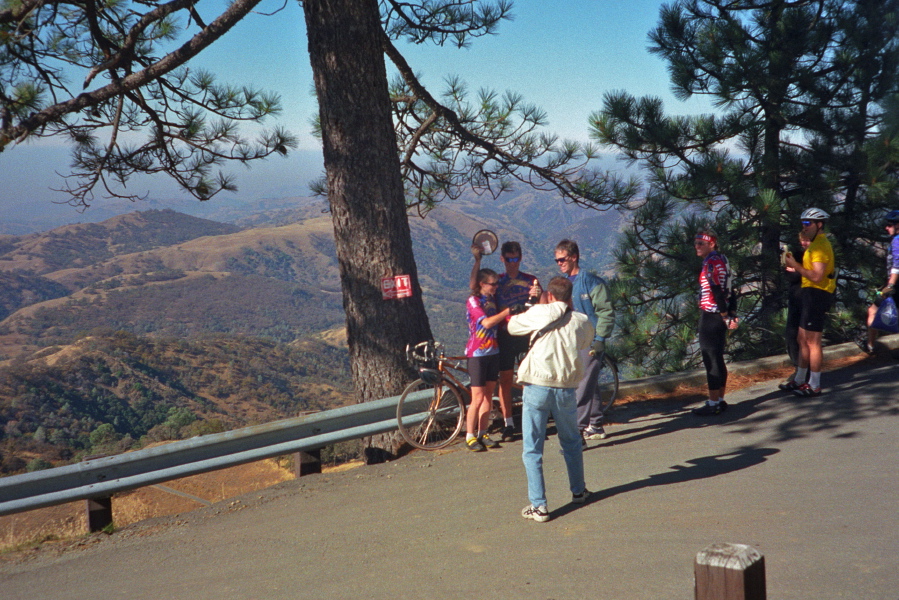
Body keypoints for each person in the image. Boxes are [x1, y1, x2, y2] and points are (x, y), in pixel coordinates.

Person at [508, 276, 594, 522]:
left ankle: (539, 505)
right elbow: (586, 340)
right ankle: (579, 491)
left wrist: (536, 305)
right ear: (570, 297)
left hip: (537, 385)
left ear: (551, 296)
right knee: (571, 442)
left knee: (533, 448)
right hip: (566, 387)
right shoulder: (580, 320)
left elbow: (513, 327)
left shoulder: (539, 312)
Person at [470, 241, 541, 442]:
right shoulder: (496, 281)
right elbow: (474, 287)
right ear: (502, 259)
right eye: (509, 259)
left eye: (516, 258)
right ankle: (508, 424)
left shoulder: (531, 280)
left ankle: (533, 421)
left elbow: (542, 303)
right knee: (506, 380)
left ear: (521, 258)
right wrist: (477, 260)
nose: (513, 263)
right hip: (505, 334)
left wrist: (538, 296)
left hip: (527, 332)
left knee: (532, 379)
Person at [553, 240, 615, 442]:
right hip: (574, 343)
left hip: (590, 342)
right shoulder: (566, 283)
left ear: (574, 257)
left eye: (562, 259)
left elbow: (605, 312)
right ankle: (595, 425)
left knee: (581, 387)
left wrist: (600, 339)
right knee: (589, 383)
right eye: (557, 260)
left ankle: (576, 432)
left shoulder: (591, 282)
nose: (559, 263)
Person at [781, 208, 837, 397]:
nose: (804, 228)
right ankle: (799, 379)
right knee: (801, 339)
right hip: (809, 293)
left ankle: (814, 384)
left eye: (808, 224)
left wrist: (795, 266)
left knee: (813, 342)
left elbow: (816, 275)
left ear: (819, 225)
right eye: (802, 224)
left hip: (818, 294)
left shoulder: (821, 245)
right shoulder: (814, 245)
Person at [465, 266, 515, 452]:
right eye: (492, 284)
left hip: (493, 352)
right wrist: (507, 311)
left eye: (496, 284)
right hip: (477, 353)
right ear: (482, 284)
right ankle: (469, 435)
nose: (495, 287)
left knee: (488, 396)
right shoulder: (473, 301)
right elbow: (486, 323)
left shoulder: (491, 299)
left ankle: (483, 432)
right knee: (477, 397)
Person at [692, 230, 739, 416]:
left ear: (712, 244)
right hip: (720, 313)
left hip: (712, 315)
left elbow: (717, 290)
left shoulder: (710, 263)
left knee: (710, 358)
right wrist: (731, 311)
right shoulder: (722, 259)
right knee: (718, 357)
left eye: (700, 243)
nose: (696, 246)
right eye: (695, 243)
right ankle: (720, 399)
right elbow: (730, 288)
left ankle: (713, 404)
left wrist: (724, 314)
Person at [860, 210, 899, 353]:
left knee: (873, 310)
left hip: (894, 285)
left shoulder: (897, 241)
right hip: (893, 284)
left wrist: (890, 285)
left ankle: (870, 346)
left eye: (889, 225)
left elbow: (897, 266)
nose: (886, 228)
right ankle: (870, 344)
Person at [781, 232, 811, 386]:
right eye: (802, 241)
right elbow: (789, 276)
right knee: (792, 336)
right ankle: (799, 370)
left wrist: (797, 270)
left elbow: (812, 276)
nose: (805, 243)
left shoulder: (814, 257)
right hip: (795, 300)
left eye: (807, 240)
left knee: (806, 339)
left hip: (809, 300)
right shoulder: (797, 255)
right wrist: (795, 269)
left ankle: (808, 373)